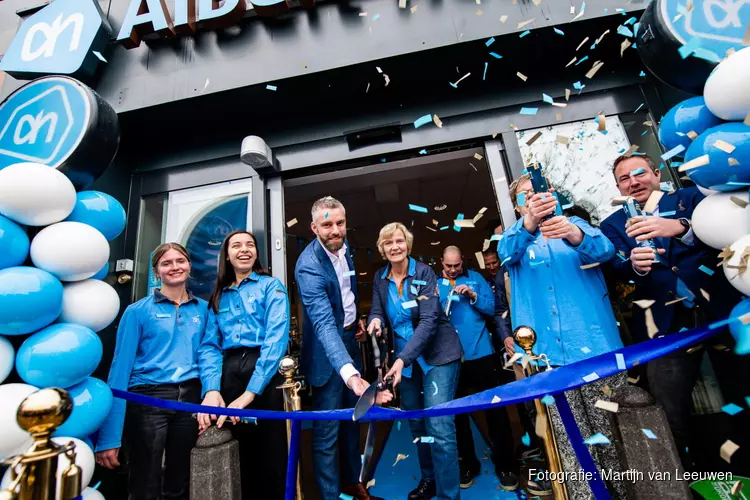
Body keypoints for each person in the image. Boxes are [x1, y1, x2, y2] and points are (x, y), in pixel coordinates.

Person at [599, 153, 749, 472]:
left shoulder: (693, 198)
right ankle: (689, 475)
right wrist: (633, 268)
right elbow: (614, 268)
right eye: (624, 179)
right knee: (670, 411)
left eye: (639, 173)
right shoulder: (611, 225)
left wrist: (682, 228)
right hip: (663, 327)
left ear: (656, 173)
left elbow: (728, 234)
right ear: (617, 187)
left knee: (744, 393)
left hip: (724, 312)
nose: (634, 181)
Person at [499, 173, 626, 500]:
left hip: (597, 351)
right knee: (569, 444)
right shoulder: (516, 236)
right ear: (517, 207)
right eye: (524, 196)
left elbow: (606, 251)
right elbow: (506, 252)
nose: (533, 198)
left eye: (537, 192)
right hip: (547, 359)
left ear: (551, 194)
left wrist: (573, 233)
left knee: (612, 437)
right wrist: (529, 222)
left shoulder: (578, 226)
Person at [295, 196, 391, 500]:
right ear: (314, 228)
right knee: (327, 434)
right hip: (326, 354)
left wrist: (356, 320)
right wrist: (351, 376)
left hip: (350, 338)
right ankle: (330, 496)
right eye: (327, 225)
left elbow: (344, 296)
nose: (335, 230)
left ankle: (353, 483)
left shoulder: (345, 249)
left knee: (354, 422)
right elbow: (324, 324)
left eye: (339, 223)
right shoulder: (308, 267)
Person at [95, 243, 208, 500]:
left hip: (189, 401)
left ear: (189, 266)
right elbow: (119, 370)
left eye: (180, 261)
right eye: (166, 263)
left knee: (179, 482)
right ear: (157, 272)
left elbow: (209, 357)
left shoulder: (203, 309)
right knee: (145, 481)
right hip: (148, 399)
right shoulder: (137, 312)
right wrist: (109, 438)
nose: (175, 267)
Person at [367, 222, 463, 500]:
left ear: (407, 244)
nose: (394, 247)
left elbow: (430, 320)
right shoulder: (379, 278)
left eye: (399, 241)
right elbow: (377, 309)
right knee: (418, 424)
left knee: (439, 425)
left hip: (437, 357)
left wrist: (401, 361)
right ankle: (429, 480)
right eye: (388, 243)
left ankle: (448, 495)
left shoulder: (424, 272)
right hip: (405, 363)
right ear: (382, 249)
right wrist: (375, 319)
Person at [196, 230, 290, 499]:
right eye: (236, 245)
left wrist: (249, 394)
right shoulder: (218, 296)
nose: (244, 249)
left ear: (257, 252)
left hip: (266, 371)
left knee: (271, 448)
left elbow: (275, 340)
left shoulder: (271, 286)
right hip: (229, 371)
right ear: (227, 254)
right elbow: (210, 347)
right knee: (237, 448)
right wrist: (211, 389)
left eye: (250, 244)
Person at [437, 246, 518, 491]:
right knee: (458, 415)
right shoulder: (434, 283)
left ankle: (506, 465)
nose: (452, 270)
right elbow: (430, 318)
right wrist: (445, 301)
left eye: (457, 265)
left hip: (482, 353)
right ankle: (468, 465)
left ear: (463, 261)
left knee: (496, 411)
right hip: (451, 357)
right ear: (442, 262)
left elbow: (494, 308)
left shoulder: (476, 278)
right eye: (448, 266)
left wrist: (472, 294)